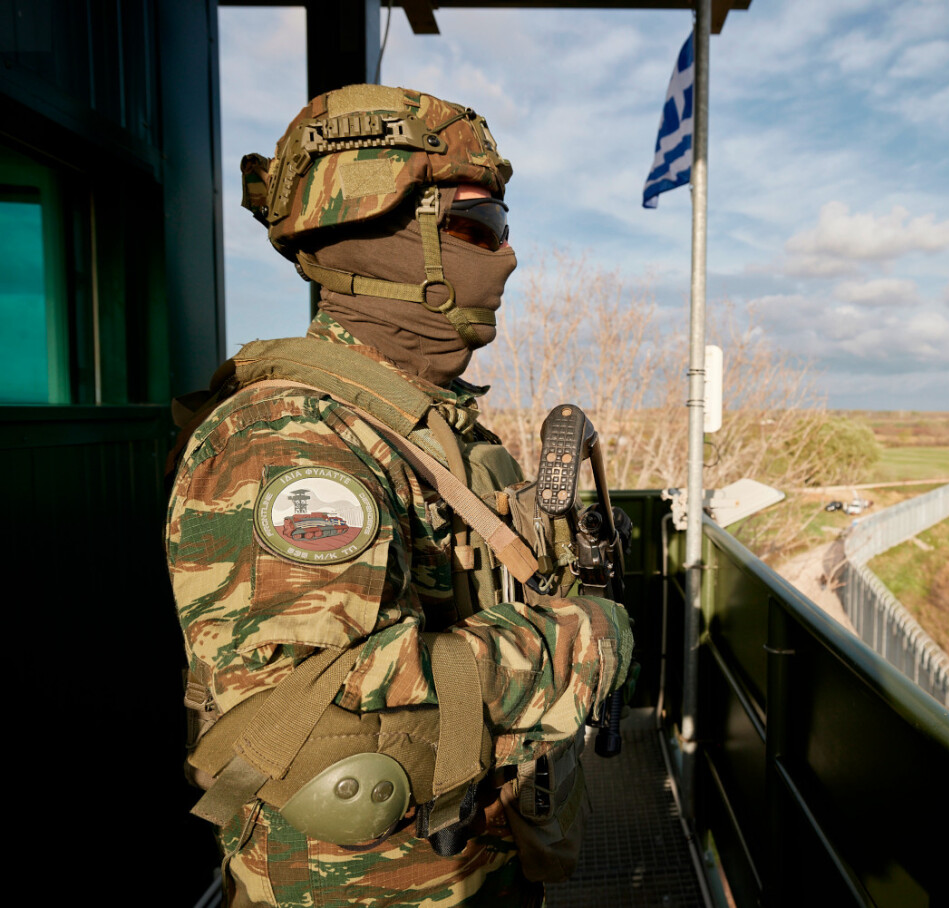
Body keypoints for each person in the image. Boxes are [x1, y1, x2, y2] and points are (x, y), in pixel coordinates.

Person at [165, 84, 632, 907]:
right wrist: (581, 644)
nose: (507, 255)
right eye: (475, 227)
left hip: (468, 860)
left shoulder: (413, 419)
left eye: (501, 227)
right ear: (376, 237)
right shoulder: (292, 437)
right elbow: (313, 739)